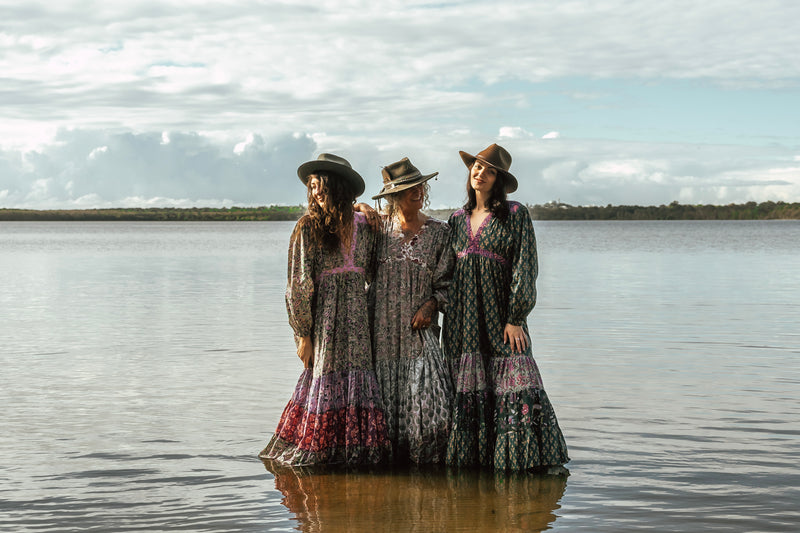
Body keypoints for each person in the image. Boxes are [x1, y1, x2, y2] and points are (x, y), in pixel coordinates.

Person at [442, 143, 569, 471]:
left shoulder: (515, 214)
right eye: (476, 167)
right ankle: (476, 460)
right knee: (470, 386)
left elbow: (525, 267)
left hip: (503, 320)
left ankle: (521, 460)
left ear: (499, 179)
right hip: (463, 323)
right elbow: (443, 272)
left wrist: (516, 317)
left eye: (489, 170)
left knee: (514, 377)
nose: (480, 173)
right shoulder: (455, 221)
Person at [259, 153, 390, 466]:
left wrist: (365, 209)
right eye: (312, 186)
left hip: (358, 320)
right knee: (322, 379)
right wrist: (302, 334)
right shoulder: (307, 228)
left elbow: (377, 271)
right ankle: (321, 450)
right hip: (325, 322)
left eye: (322, 184)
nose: (316, 191)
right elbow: (298, 285)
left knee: (358, 378)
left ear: (339, 186)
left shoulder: (367, 226)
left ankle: (355, 452)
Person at [369, 157, 454, 464]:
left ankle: (427, 477)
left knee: (431, 405)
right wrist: (360, 208)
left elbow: (447, 284)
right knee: (385, 402)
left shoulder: (439, 233)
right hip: (382, 334)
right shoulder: (376, 233)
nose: (417, 192)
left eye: (419, 186)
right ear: (393, 197)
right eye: (408, 188)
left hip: (420, 333)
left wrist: (431, 305)